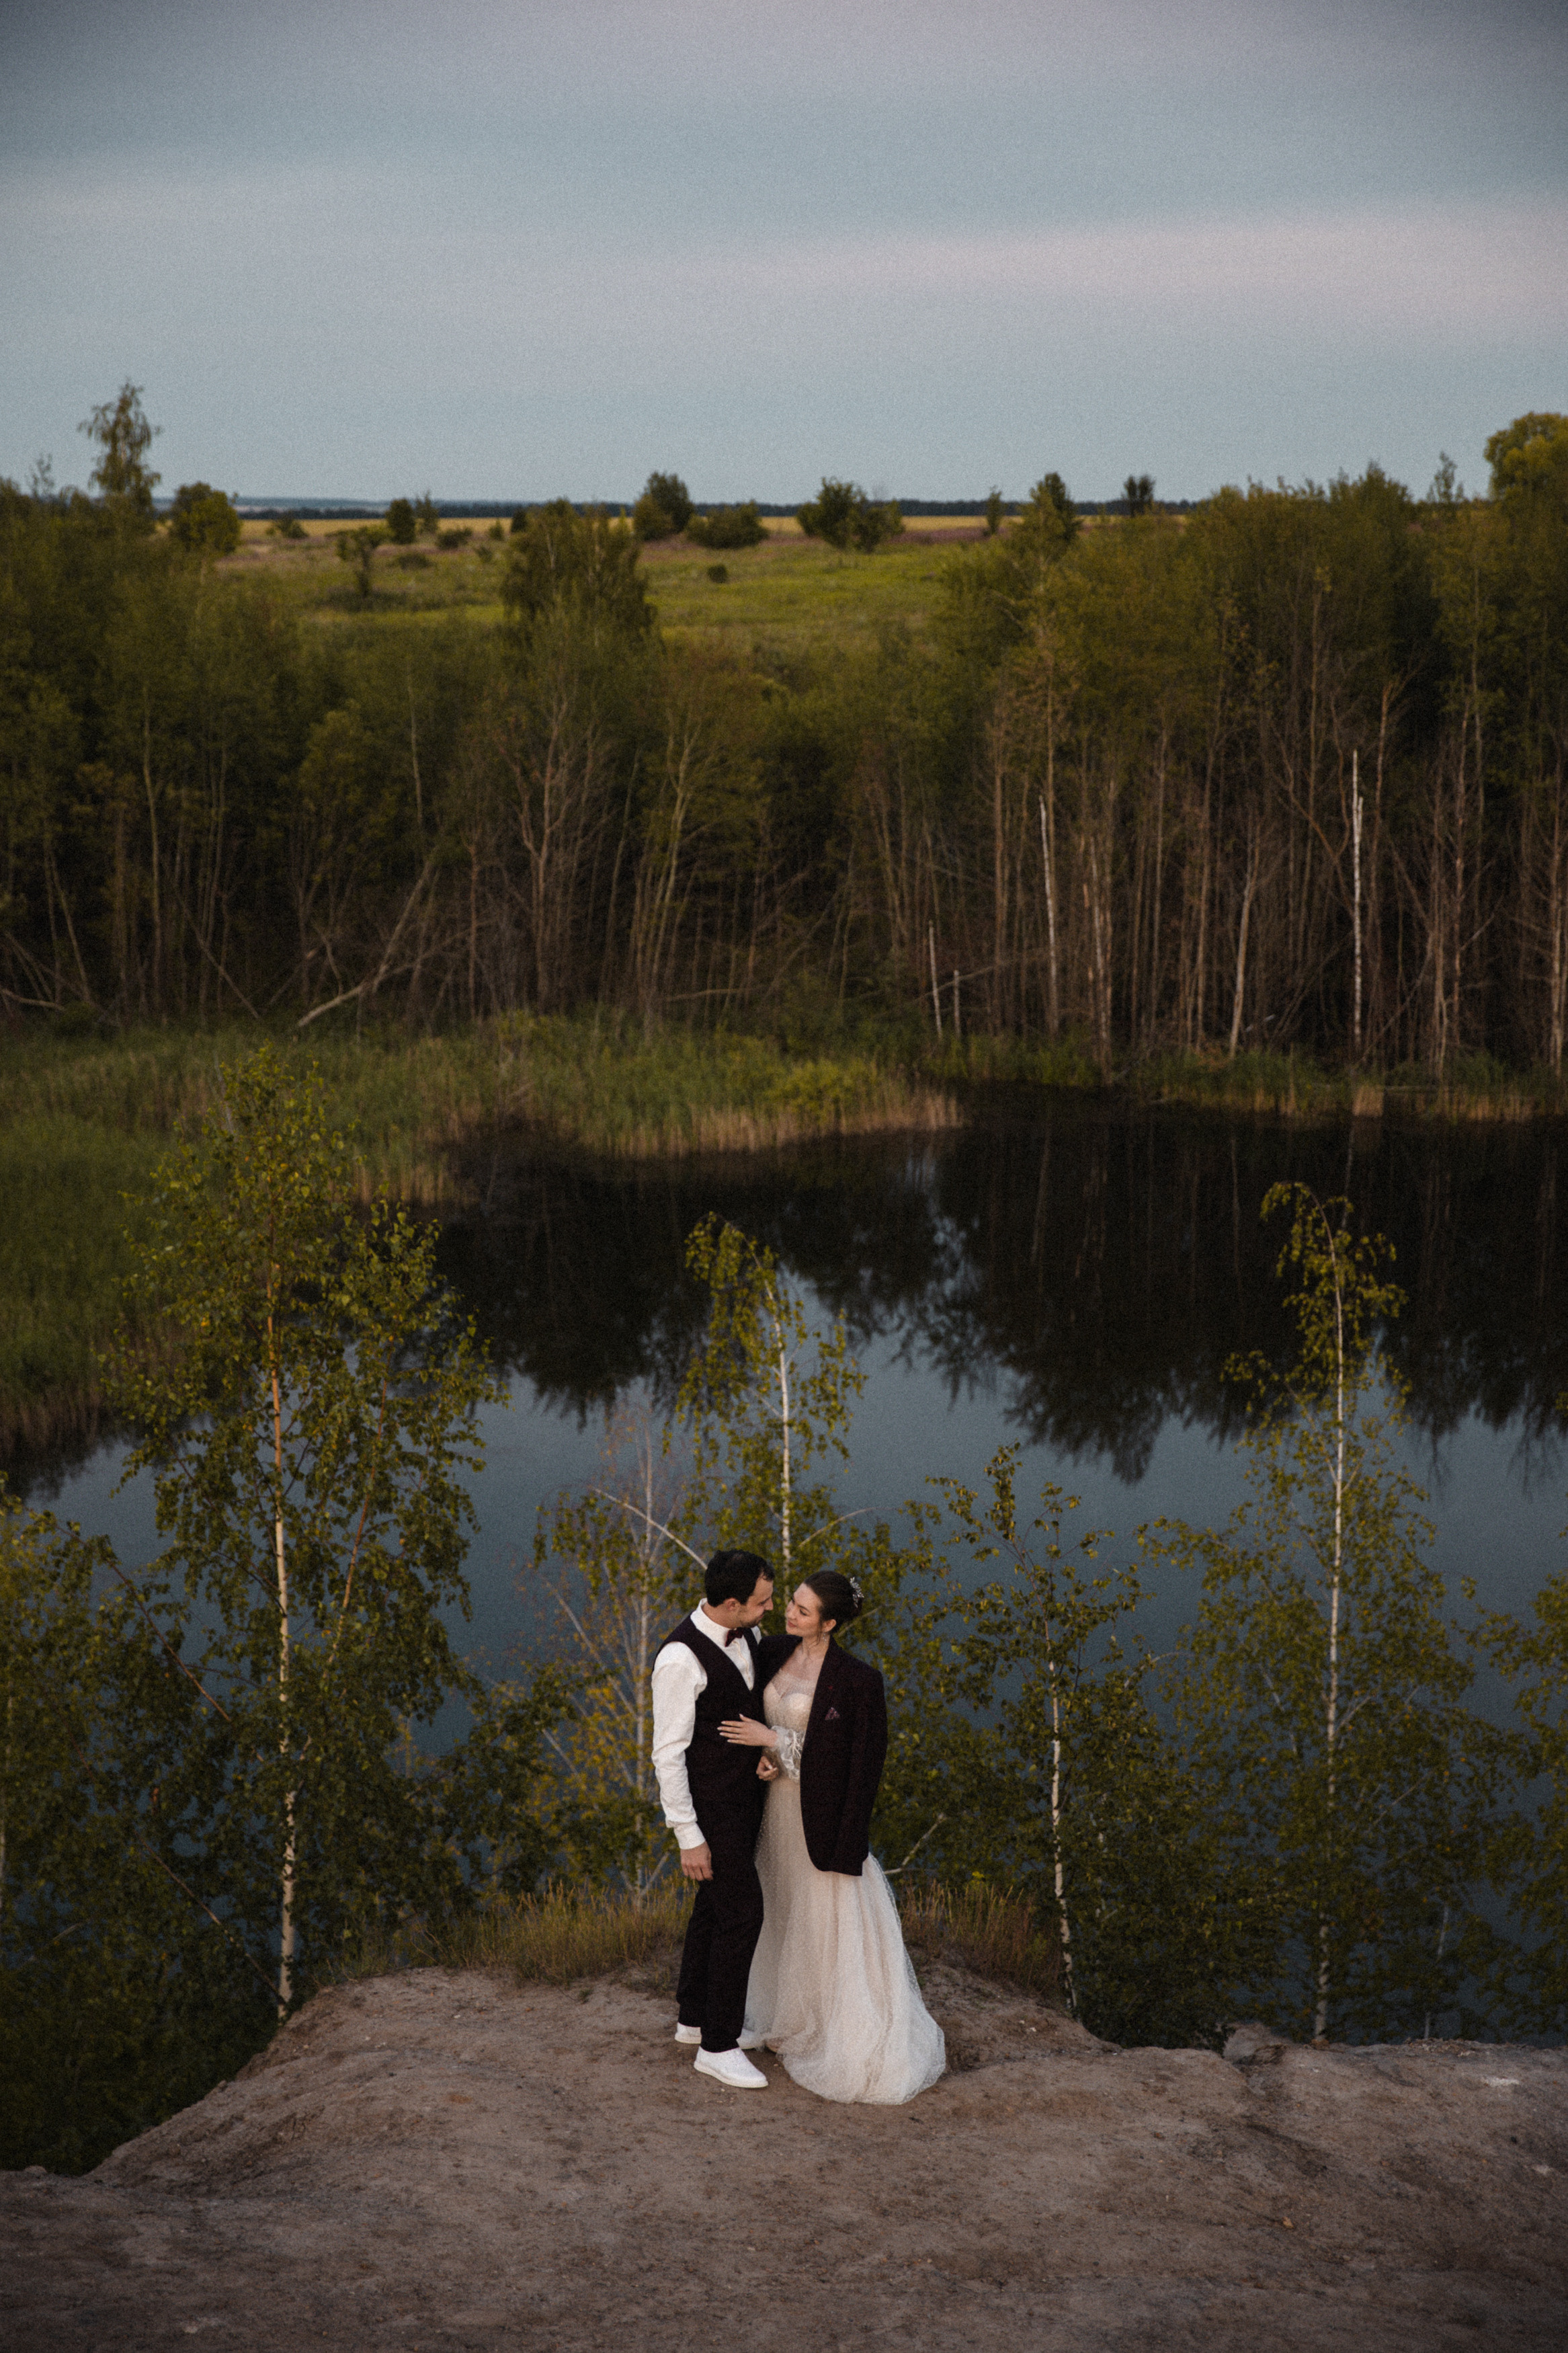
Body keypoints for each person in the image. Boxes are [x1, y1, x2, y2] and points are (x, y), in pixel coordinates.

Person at [718, 1569, 946, 2104]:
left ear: (831, 1623)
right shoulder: (772, 1651)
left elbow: (856, 1764)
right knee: (780, 1907)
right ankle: (781, 2015)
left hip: (820, 1818)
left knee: (822, 1917)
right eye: (791, 1603)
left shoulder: (857, 1681)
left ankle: (822, 2024)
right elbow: (763, 1725)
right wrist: (768, 1758)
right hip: (774, 1809)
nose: (788, 1613)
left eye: (801, 1610)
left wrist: (772, 1738)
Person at [649, 1547, 776, 2089]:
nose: (769, 1610)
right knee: (742, 1915)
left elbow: (746, 1708)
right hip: (711, 1815)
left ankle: (694, 2018)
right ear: (730, 1603)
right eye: (762, 1602)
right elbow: (667, 1754)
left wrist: (766, 1753)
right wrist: (689, 1837)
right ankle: (718, 2046)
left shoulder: (744, 1634)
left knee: (712, 1910)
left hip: (745, 1802)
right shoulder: (680, 1660)